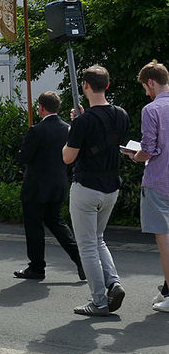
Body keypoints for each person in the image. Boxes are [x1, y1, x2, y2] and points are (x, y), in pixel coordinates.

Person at [62, 65, 129, 317]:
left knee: (87, 245)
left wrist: (74, 128)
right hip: (112, 187)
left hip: (86, 188)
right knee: (99, 239)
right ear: (108, 85)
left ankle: (99, 301)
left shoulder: (84, 121)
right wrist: (78, 124)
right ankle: (113, 283)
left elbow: (68, 157)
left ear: (85, 87)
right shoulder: (121, 114)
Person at [14, 91, 84, 281]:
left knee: (34, 226)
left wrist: (21, 149)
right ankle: (80, 260)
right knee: (57, 223)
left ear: (42, 108)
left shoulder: (36, 130)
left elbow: (24, 157)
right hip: (58, 183)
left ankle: (37, 267)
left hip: (36, 187)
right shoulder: (67, 129)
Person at [124, 61, 169, 313]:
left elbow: (149, 149)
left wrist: (134, 155)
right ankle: (166, 290)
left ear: (151, 82)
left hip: (159, 181)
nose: (145, 92)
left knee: (165, 242)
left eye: (144, 87)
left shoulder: (152, 109)